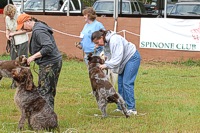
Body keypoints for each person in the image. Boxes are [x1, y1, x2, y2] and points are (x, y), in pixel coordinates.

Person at [16, 13, 62, 110]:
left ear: (27, 21)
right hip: (51, 62)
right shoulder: (38, 27)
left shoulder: (39, 31)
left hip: (50, 63)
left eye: (23, 26)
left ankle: (46, 118)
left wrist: (33, 57)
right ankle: (48, 116)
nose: (23, 29)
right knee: (47, 89)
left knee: (45, 91)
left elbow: (48, 47)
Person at [91, 29, 141, 115]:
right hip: (124, 60)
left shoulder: (115, 40)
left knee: (127, 83)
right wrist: (104, 61)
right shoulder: (106, 42)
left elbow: (117, 59)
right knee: (120, 83)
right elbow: (109, 56)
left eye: (97, 42)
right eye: (95, 43)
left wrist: (105, 65)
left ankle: (132, 109)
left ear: (102, 37)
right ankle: (121, 107)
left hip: (132, 58)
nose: (97, 45)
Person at [3, 4, 29, 88]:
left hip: (22, 41)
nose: (9, 16)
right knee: (13, 63)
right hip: (13, 42)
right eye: (8, 15)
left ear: (13, 12)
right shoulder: (7, 18)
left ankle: (24, 82)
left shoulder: (20, 16)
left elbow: (25, 29)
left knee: (22, 63)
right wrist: (7, 35)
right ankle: (14, 83)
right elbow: (7, 28)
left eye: (11, 14)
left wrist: (14, 33)